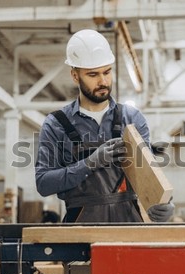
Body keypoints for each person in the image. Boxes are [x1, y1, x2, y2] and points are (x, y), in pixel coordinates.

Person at [35, 29, 174, 223]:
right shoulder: (56, 124)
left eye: (107, 72)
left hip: (129, 222)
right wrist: (89, 163)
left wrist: (164, 203)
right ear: (75, 76)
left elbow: (148, 176)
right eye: (92, 74)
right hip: (80, 225)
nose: (103, 81)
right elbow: (43, 183)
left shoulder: (132, 118)